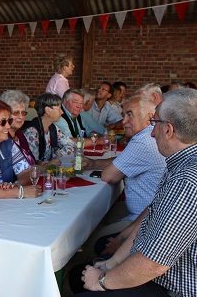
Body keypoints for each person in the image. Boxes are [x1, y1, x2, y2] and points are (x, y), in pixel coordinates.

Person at [74, 88, 197, 297]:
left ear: (168, 130)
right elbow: (150, 219)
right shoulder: (180, 163)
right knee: (79, 275)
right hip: (159, 275)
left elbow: (154, 264)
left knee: (84, 280)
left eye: (155, 123)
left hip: (173, 289)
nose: (151, 132)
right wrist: (111, 264)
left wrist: (102, 280)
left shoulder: (186, 180)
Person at [81, 96, 166, 248]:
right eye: (123, 115)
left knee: (90, 233)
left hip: (145, 219)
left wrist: (100, 166)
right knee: (97, 215)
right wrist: (94, 163)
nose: (124, 121)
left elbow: (109, 176)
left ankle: (86, 262)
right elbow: (123, 161)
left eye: (130, 114)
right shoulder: (149, 135)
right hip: (148, 211)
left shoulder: (143, 140)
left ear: (150, 118)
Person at [22, 93, 76, 165]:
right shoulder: (32, 132)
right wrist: (50, 162)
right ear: (47, 110)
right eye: (59, 108)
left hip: (47, 171)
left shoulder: (53, 128)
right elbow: (32, 162)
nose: (62, 112)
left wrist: (57, 155)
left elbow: (72, 144)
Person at [0, 89, 36, 165]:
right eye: (16, 112)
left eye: (23, 112)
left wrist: (41, 165)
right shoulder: (2, 139)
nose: (20, 117)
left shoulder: (20, 135)